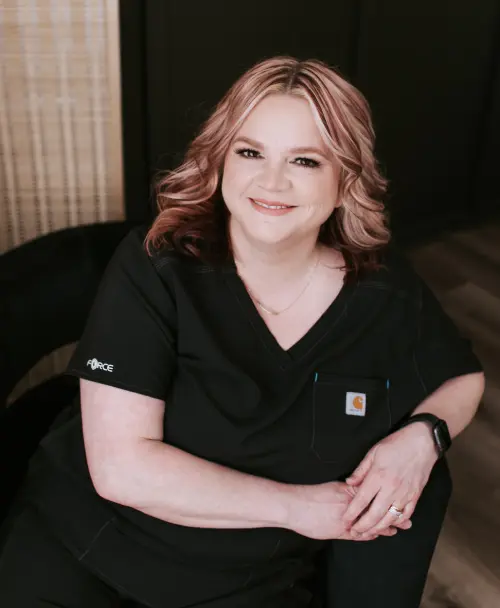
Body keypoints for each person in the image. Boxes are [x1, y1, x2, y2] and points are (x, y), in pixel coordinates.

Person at [0, 56, 485, 608]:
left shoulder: (383, 290)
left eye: (304, 160)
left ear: (346, 178)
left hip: (250, 581)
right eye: (250, 152)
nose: (270, 182)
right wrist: (298, 507)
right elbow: (121, 470)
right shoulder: (157, 268)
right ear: (220, 160)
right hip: (88, 548)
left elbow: (462, 376)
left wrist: (422, 437)